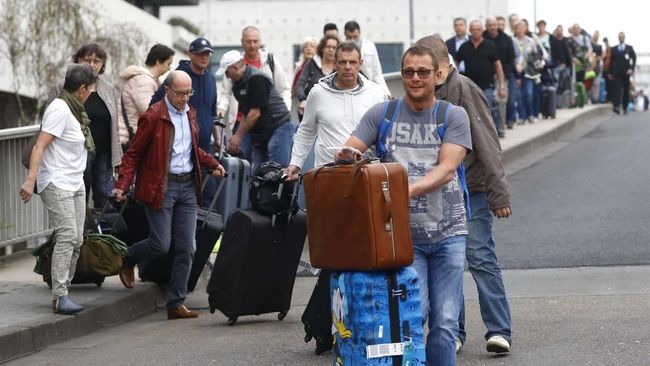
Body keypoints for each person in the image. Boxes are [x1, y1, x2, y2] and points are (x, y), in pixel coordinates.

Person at [337, 45, 472, 366]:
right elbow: (350, 149)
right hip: (400, 238)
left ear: (438, 75)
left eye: (423, 72)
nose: (414, 78)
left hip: (448, 233)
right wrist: (348, 157)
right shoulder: (383, 114)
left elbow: (447, 168)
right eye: (408, 71)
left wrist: (405, 191)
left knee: (446, 322)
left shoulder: (452, 116)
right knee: (414, 317)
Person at [416, 34, 513, 355]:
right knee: (448, 264)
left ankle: (499, 330)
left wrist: (499, 194)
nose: (419, 75)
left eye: (427, 69)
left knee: (481, 258)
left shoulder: (464, 89)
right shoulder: (425, 93)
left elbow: (487, 141)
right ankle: (452, 332)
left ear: (442, 66)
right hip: (437, 195)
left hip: (472, 189)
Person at [114, 70, 225, 320]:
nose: (185, 98)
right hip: (160, 186)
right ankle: (128, 256)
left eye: (189, 93)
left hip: (187, 187)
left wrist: (211, 162)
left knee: (187, 247)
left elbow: (191, 149)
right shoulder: (153, 116)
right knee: (161, 244)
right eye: (181, 93)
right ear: (167, 91)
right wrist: (123, 184)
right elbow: (133, 153)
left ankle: (176, 303)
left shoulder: (191, 114)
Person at [20, 64, 98, 315]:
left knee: (77, 239)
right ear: (82, 89)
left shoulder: (76, 110)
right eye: (90, 89)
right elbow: (40, 146)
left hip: (74, 181)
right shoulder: (60, 109)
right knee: (67, 236)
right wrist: (30, 181)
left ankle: (62, 291)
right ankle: (60, 295)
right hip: (56, 181)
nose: (91, 93)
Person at [285, 40, 386, 178]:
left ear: (360, 63)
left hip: (366, 174)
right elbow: (306, 131)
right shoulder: (318, 92)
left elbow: (386, 135)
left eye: (353, 62)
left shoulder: (376, 93)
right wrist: (295, 163)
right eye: (343, 62)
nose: (348, 67)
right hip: (327, 173)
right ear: (334, 64)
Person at [48, 44, 123, 209]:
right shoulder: (61, 87)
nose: (92, 64)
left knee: (104, 194)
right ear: (77, 61)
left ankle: (98, 233)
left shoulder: (109, 89)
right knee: (81, 192)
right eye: (87, 60)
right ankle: (81, 233)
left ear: (102, 65)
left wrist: (118, 157)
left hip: (103, 152)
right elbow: (50, 120)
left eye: (97, 61)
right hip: (76, 151)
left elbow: (114, 125)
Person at [150, 37, 219, 208]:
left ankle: (201, 234)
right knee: (187, 196)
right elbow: (154, 105)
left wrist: (217, 138)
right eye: (200, 54)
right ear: (191, 54)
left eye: (208, 54)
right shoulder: (179, 77)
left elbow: (212, 111)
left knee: (209, 194)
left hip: (205, 146)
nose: (204, 57)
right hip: (182, 147)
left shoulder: (210, 79)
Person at [217, 26, 292, 160]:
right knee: (257, 171)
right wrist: (222, 109)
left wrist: (237, 137)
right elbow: (246, 111)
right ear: (242, 42)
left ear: (234, 68)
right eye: (248, 41)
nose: (227, 76)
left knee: (275, 167)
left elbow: (254, 112)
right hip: (257, 127)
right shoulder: (238, 83)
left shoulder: (256, 78)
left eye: (227, 72)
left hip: (277, 125)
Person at [117, 43, 175, 147]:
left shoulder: (150, 80)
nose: (169, 68)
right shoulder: (144, 81)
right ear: (158, 62)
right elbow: (149, 112)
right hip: (129, 139)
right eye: (168, 64)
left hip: (132, 136)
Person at [455, 20, 506, 136]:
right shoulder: (464, 47)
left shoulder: (490, 45)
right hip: (470, 86)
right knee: (471, 110)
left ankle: (492, 132)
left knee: (486, 108)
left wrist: (502, 86)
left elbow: (498, 67)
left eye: (478, 29)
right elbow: (455, 64)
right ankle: (476, 133)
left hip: (487, 84)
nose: (476, 32)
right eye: (473, 30)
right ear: (470, 31)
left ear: (483, 30)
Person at [484, 16, 517, 132]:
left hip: (502, 75)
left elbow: (512, 58)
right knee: (487, 102)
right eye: (490, 25)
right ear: (486, 26)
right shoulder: (482, 38)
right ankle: (490, 127)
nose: (493, 27)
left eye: (494, 25)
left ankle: (502, 126)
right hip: (486, 75)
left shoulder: (506, 39)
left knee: (501, 100)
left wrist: (506, 72)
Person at [295, 35, 339, 118]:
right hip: (312, 108)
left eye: (334, 47)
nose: (331, 50)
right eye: (328, 47)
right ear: (322, 48)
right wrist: (302, 99)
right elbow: (300, 83)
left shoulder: (341, 65)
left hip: (334, 110)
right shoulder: (312, 63)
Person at [344, 20, 391, 97]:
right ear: (345, 35)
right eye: (349, 37)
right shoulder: (340, 50)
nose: (352, 40)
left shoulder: (369, 46)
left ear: (360, 33)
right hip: (349, 90)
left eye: (355, 37)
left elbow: (377, 72)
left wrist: (386, 92)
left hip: (368, 88)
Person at [513, 21, 543, 123]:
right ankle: (522, 116)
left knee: (529, 94)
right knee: (519, 95)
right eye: (518, 28)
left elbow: (536, 55)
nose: (520, 30)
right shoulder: (512, 41)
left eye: (522, 28)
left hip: (529, 72)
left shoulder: (530, 41)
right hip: (516, 72)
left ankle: (531, 114)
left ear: (525, 29)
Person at [292, 36, 319, 121]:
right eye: (306, 47)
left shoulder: (319, 67)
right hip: (300, 102)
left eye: (312, 46)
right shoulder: (299, 66)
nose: (308, 49)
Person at [610, 32, 636, 115]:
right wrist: (610, 72)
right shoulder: (614, 49)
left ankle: (625, 107)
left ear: (624, 37)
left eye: (622, 36)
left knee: (625, 90)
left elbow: (634, 59)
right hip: (617, 73)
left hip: (626, 73)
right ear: (618, 38)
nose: (621, 38)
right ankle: (616, 106)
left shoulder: (629, 48)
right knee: (617, 90)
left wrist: (631, 69)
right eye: (620, 37)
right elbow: (610, 61)